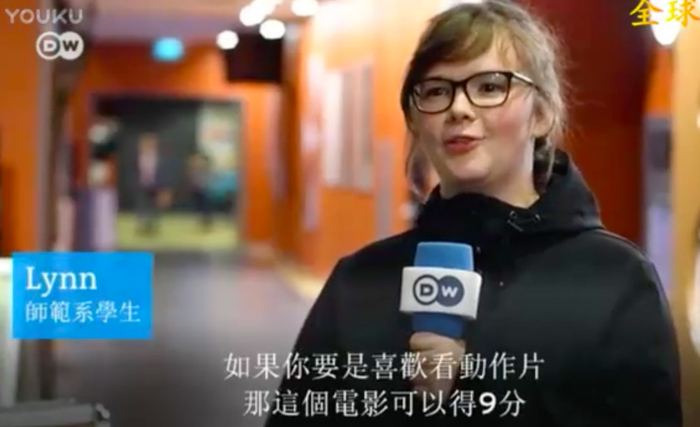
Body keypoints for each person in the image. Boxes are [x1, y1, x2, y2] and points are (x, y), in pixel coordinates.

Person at [265, 1, 682, 426]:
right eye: (436, 91)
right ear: (416, 121)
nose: (458, 109)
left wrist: (482, 389)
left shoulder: (614, 279)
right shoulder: (359, 281)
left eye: (489, 87)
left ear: (541, 114)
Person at [136, 133, 171, 234]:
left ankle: (153, 227)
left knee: (155, 207)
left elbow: (165, 172)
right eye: (147, 142)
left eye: (151, 143)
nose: (149, 145)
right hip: (142, 185)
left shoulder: (161, 157)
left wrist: (165, 189)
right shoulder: (138, 156)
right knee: (142, 206)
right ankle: (142, 227)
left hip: (157, 185)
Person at [187, 151, 213, 230]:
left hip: (204, 189)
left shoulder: (206, 168)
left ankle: (206, 221)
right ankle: (201, 220)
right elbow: (191, 179)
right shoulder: (192, 169)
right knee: (198, 205)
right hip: (196, 189)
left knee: (205, 205)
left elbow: (208, 178)